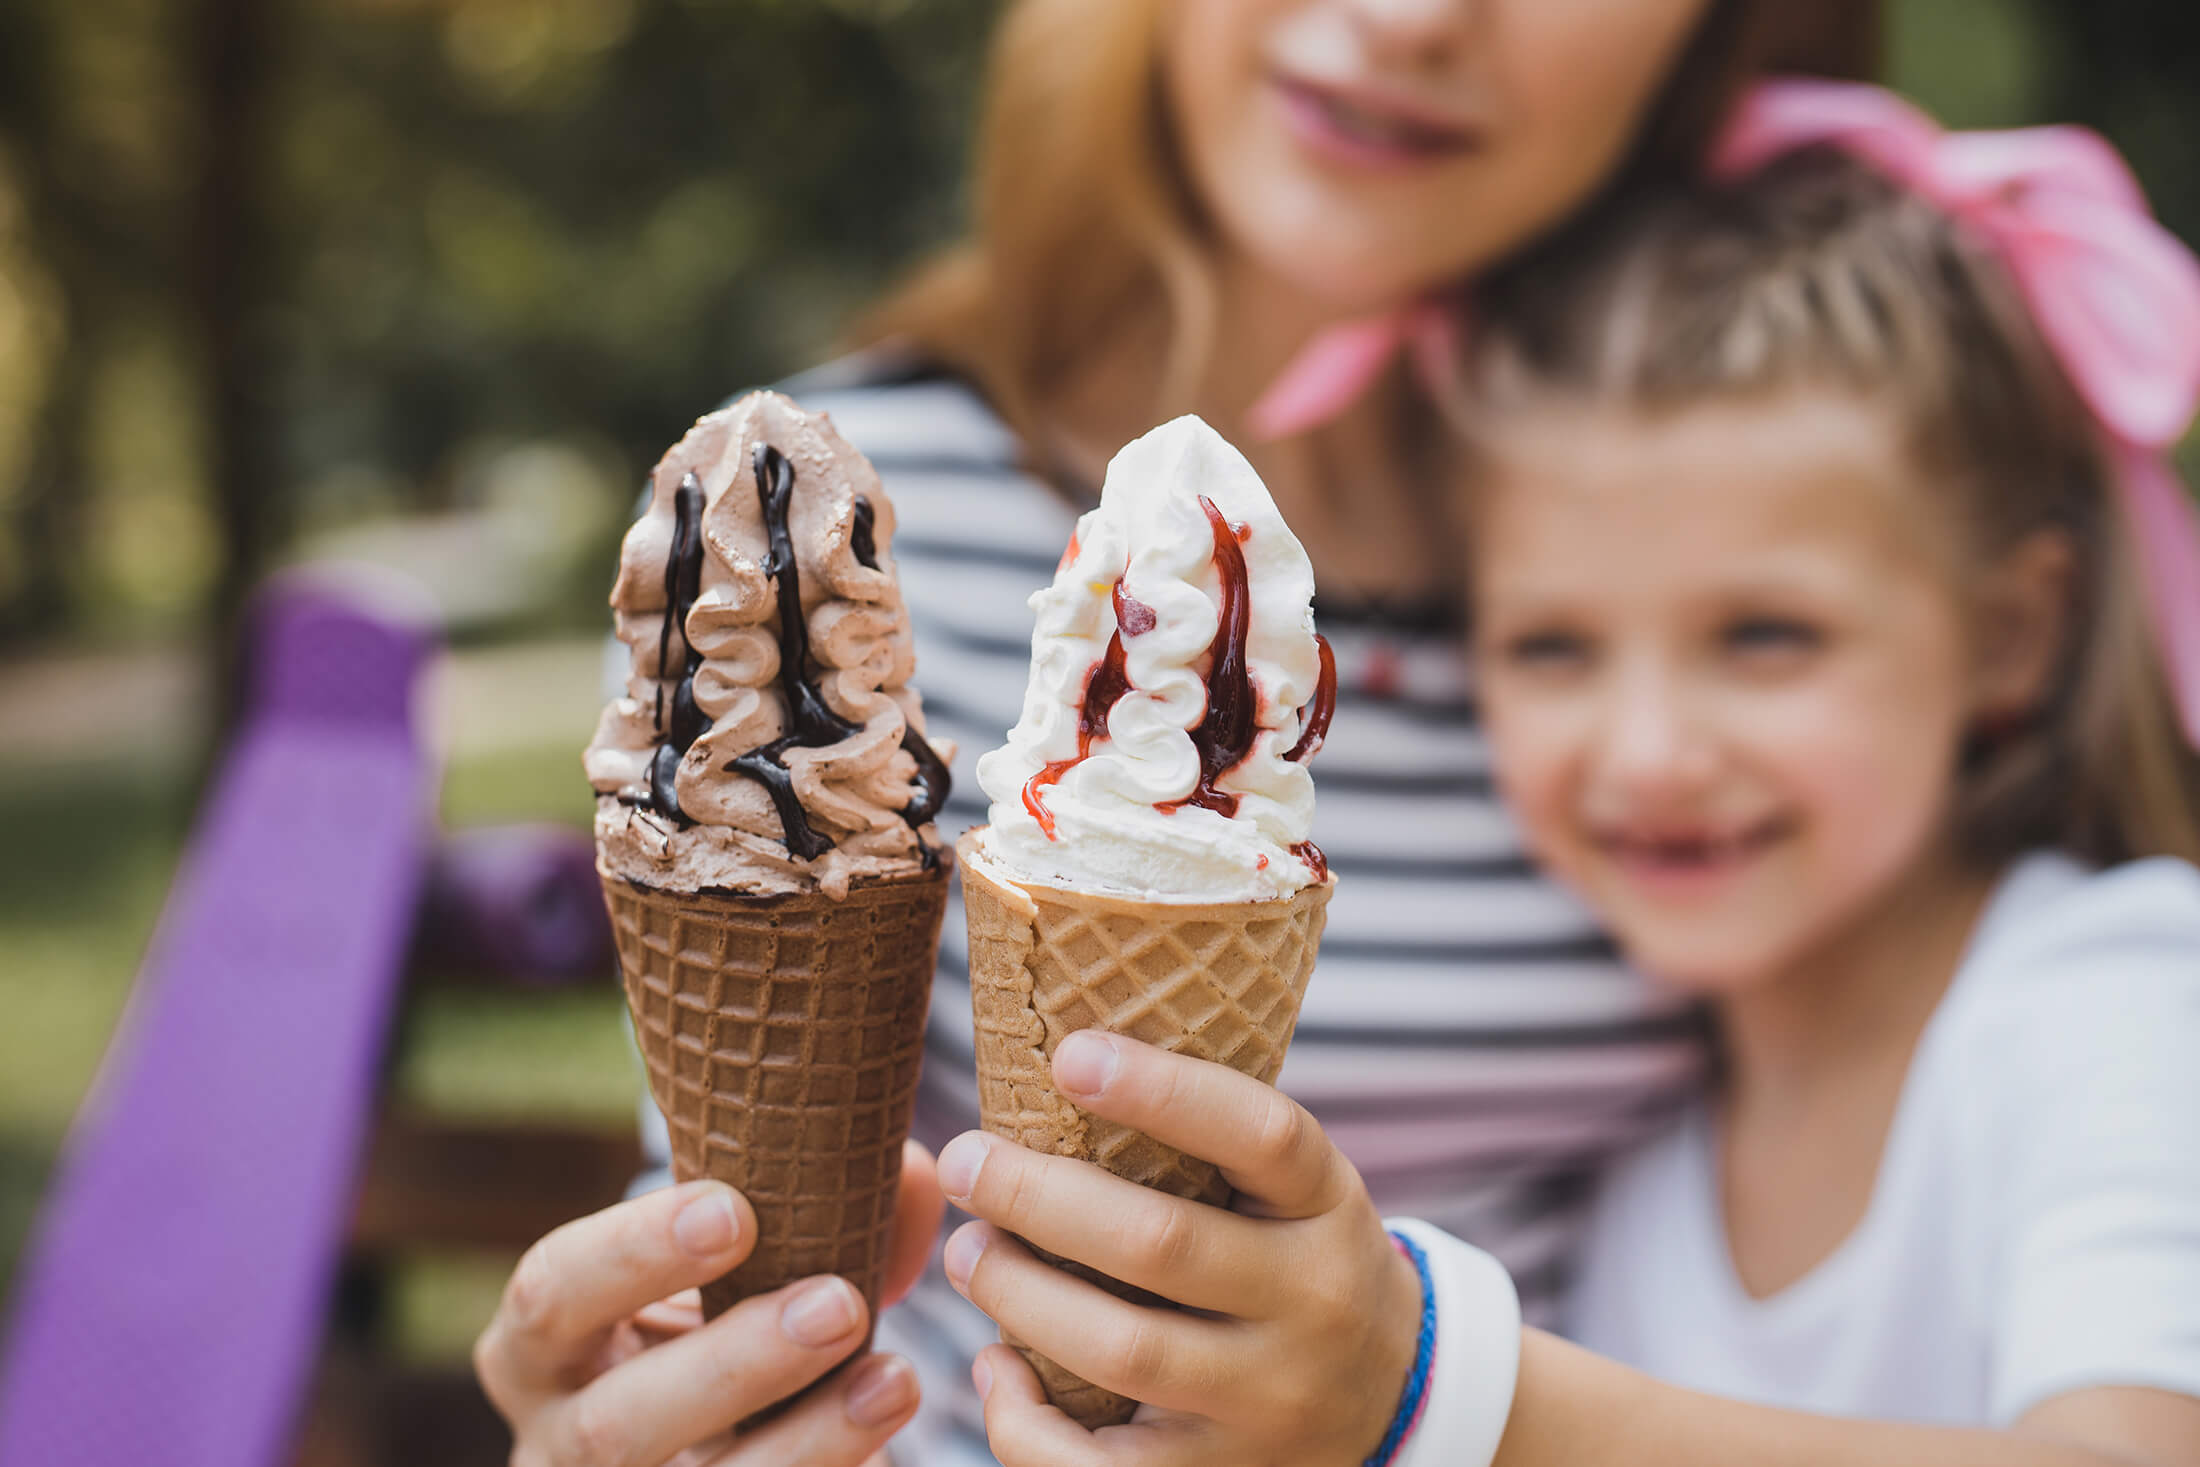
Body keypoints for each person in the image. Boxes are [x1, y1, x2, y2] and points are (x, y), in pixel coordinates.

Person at [472, 3, 1876, 1463]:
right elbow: (701, 1212)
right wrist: (653, 1397)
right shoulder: (802, 537)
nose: (1408, 20)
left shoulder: (1738, 576)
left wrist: (1432, 1401)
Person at [939, 81, 2200, 1465]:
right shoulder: (1647, 1138)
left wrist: (1439, 1398)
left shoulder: (2116, 992)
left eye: (1766, 637)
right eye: (1552, 647)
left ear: (2013, 634)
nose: (1650, 751)